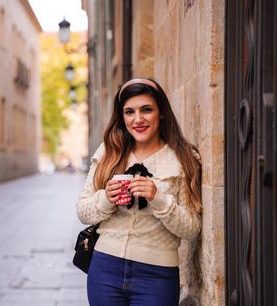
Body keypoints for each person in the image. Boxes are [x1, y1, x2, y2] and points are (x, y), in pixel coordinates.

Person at [76, 78, 202, 306]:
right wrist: (106, 198)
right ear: (122, 117)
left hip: (157, 274)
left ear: (161, 112)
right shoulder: (108, 153)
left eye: (146, 110)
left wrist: (159, 199)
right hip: (105, 268)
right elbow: (83, 212)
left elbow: (192, 228)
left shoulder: (183, 159)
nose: (138, 119)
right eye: (129, 112)